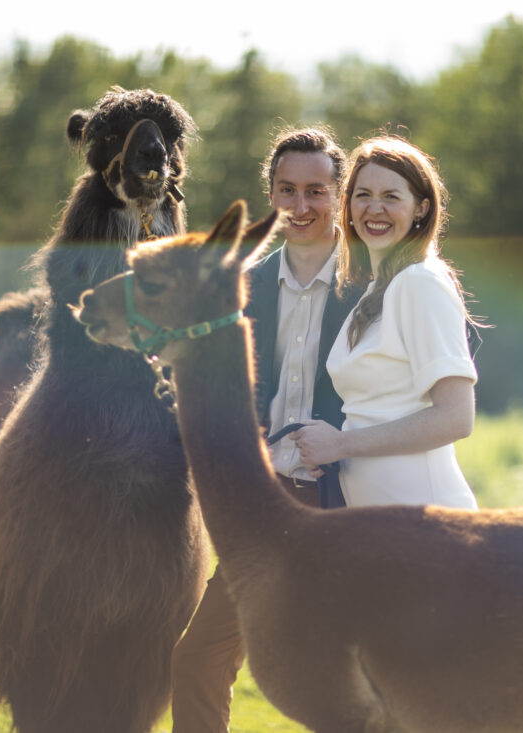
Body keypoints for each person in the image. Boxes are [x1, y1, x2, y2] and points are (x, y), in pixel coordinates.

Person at [169, 125, 362, 732]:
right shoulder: (240, 284)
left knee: (340, 679)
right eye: (286, 190)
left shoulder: (377, 286)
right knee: (197, 660)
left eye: (316, 191)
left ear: (341, 194)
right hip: (266, 507)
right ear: (271, 195)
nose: (301, 206)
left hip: (351, 502)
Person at [291, 135, 479, 509]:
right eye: (363, 195)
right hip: (381, 529)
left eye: (391, 197)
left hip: (426, 522)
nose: (374, 209)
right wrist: (329, 447)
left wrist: (342, 444)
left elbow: (456, 417)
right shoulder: (377, 290)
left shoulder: (420, 281)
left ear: (421, 209)